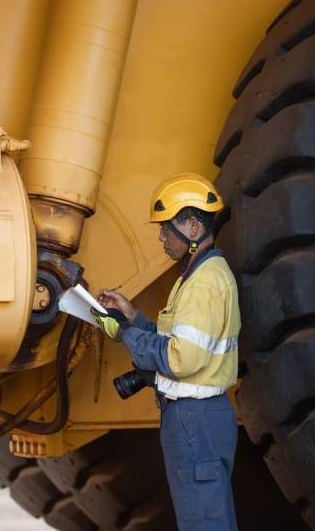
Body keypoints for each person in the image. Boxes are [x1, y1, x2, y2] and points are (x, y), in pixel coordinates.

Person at [97, 173, 240, 531]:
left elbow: (180, 360)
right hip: (200, 418)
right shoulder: (196, 276)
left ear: (192, 226)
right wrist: (132, 317)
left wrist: (128, 335)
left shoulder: (203, 283)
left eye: (166, 229)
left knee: (203, 524)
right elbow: (175, 340)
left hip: (195, 419)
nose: (161, 238)